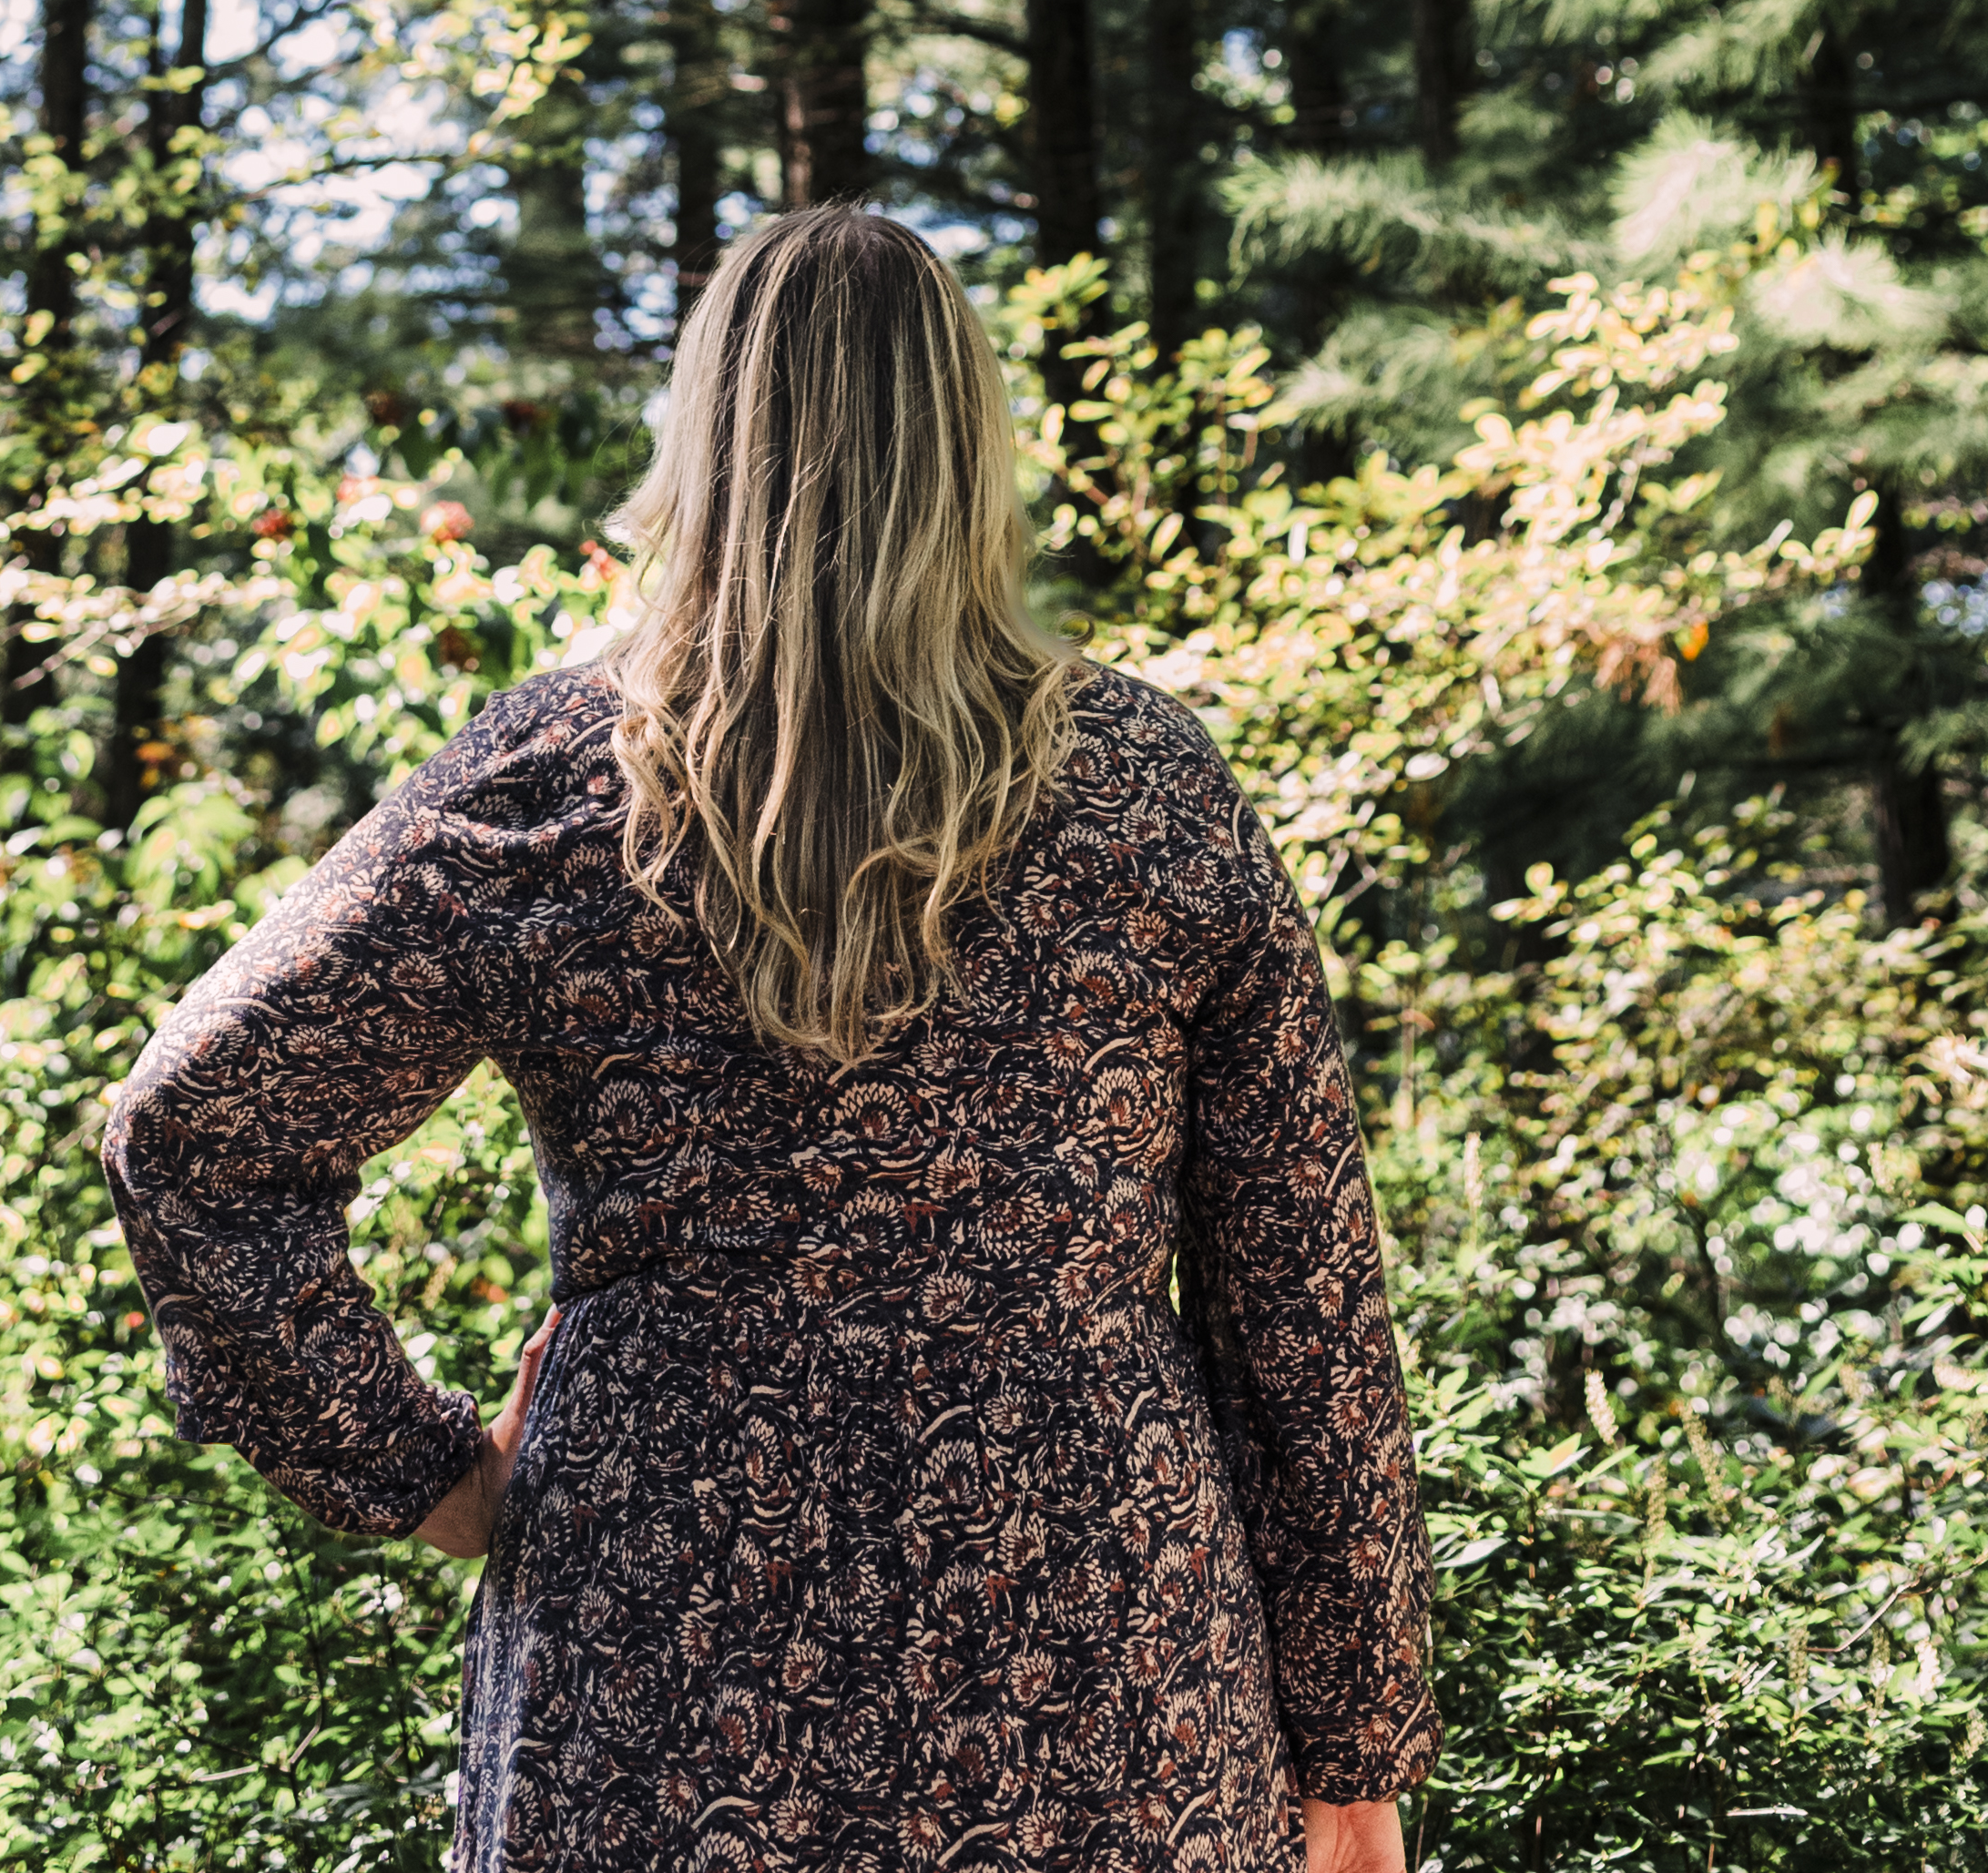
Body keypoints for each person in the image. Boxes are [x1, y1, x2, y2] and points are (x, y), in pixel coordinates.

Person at [102, 200, 1437, 1869]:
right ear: (972, 442)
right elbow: (1302, 1316)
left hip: (654, 1665)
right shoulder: (1149, 792)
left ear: (710, 434)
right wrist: (1355, 1769)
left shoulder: (547, 782)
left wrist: (426, 1472)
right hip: (1102, 1672)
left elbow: (195, 1130)